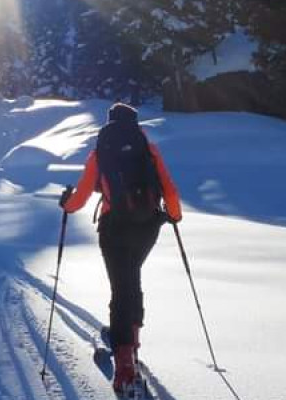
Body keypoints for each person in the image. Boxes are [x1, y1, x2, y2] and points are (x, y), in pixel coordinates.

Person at [60, 103, 181, 394]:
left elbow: (83, 195)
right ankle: (133, 339)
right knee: (133, 277)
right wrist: (174, 215)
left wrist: (67, 203)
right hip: (148, 226)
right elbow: (170, 189)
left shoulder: (101, 151)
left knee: (121, 288)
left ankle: (124, 365)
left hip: (114, 228)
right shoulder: (148, 149)